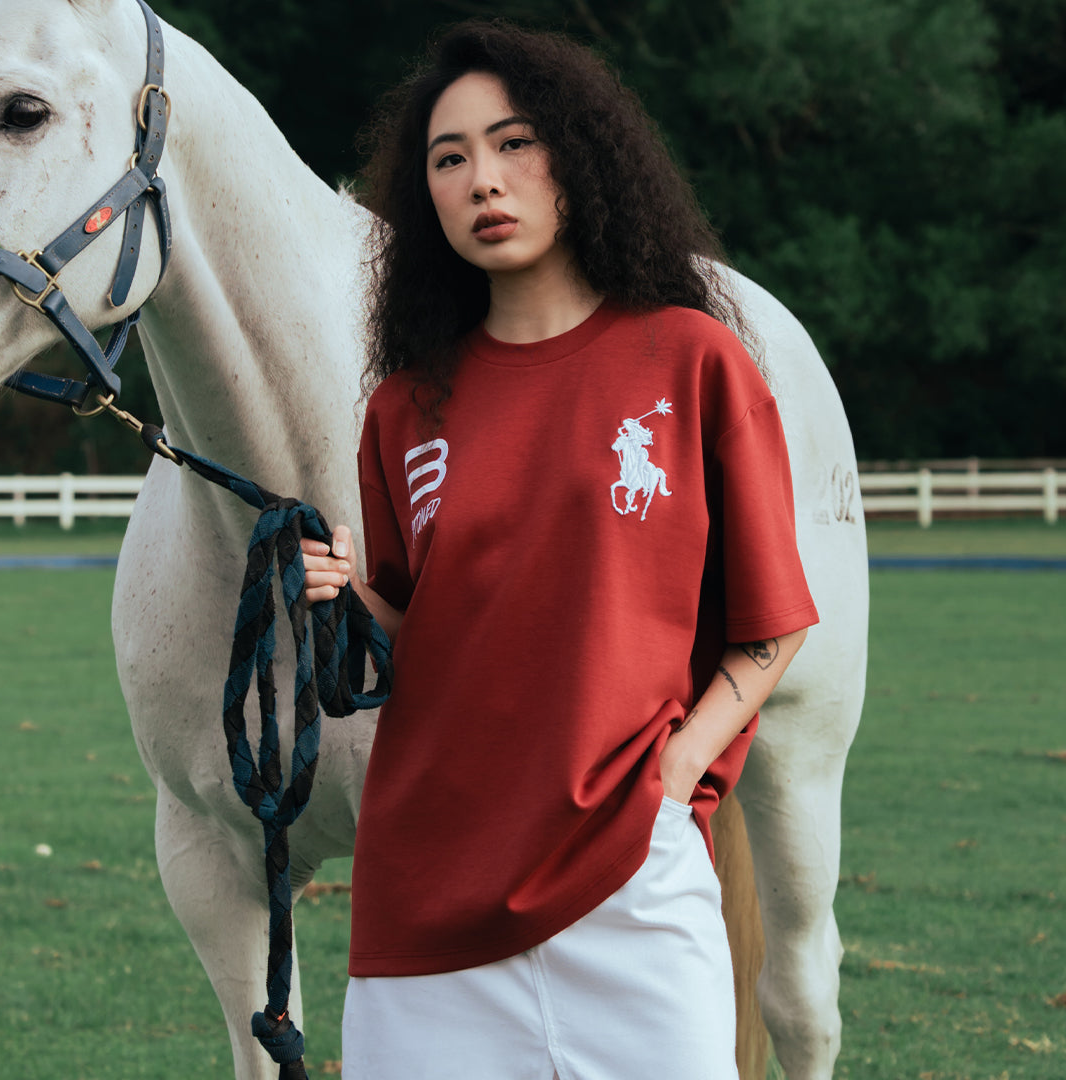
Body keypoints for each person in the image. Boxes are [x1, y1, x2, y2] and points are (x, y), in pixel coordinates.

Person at [302, 19, 819, 1080]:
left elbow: (772, 625)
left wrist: (677, 773)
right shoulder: (404, 407)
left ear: (577, 156)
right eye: (449, 160)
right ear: (426, 197)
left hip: (634, 880)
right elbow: (414, 635)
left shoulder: (694, 362)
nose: (483, 180)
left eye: (514, 143)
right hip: (427, 898)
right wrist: (338, 592)